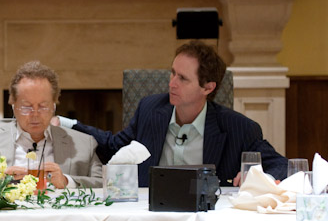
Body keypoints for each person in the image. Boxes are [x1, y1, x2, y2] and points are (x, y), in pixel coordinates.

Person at [56, 40, 287, 186]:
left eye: (183, 78)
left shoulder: (238, 128)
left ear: (207, 88)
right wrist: (63, 122)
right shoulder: (150, 110)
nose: (172, 83)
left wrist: (260, 177)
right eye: (172, 73)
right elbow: (113, 146)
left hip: (205, 220)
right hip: (149, 213)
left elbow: (281, 165)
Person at [0, 61, 102, 189]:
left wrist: (66, 181)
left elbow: (105, 184)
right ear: (13, 106)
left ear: (54, 106)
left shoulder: (85, 144)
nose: (35, 114)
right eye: (26, 107)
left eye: (43, 106)